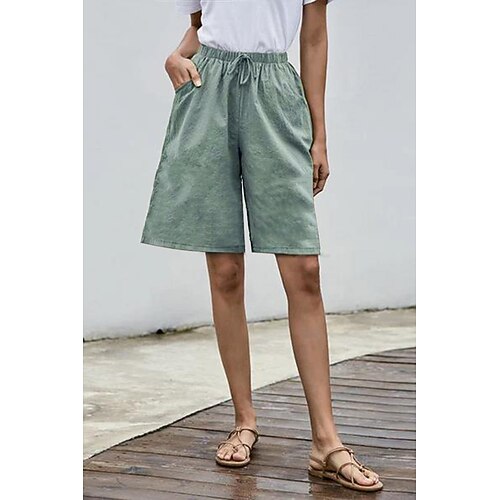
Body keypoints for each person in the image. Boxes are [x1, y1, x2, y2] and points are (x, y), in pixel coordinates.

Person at [141, 0, 382, 492]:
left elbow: (313, 37)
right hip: (207, 91)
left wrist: (319, 134)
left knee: (304, 273)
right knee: (225, 272)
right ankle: (244, 420)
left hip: (274, 90)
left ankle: (326, 442)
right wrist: (175, 57)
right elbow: (201, 27)